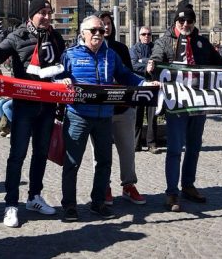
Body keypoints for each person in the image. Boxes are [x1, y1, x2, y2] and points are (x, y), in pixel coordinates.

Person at [0, 0, 65, 228]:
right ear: (32, 15)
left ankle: (34, 197)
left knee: (41, 153)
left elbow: (63, 63)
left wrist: (67, 80)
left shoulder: (56, 37)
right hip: (24, 106)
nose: (47, 17)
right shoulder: (17, 36)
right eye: (42, 13)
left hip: (48, 105)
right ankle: (11, 204)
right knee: (17, 156)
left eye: (49, 13)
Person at [57, 15, 157, 221]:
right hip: (78, 116)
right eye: (93, 30)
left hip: (104, 116)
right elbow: (57, 76)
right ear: (83, 33)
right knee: (72, 162)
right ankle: (69, 206)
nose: (98, 34)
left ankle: (98, 202)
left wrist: (143, 84)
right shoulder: (70, 54)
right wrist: (61, 79)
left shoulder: (110, 55)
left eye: (101, 31)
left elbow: (125, 75)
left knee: (104, 162)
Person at [147, 1, 222, 212]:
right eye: (182, 20)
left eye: (189, 20)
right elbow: (156, 61)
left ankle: (188, 185)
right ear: (176, 21)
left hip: (198, 104)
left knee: (194, 147)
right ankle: (171, 192)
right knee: (174, 148)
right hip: (177, 105)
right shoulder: (164, 41)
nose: (185, 24)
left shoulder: (201, 42)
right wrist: (152, 68)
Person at [96, 11, 146, 206]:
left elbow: (129, 74)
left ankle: (128, 185)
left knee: (127, 151)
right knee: (100, 153)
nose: (105, 27)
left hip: (123, 108)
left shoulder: (120, 48)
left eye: (108, 24)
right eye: (102, 24)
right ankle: (104, 185)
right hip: (100, 110)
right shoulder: (90, 49)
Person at [131, 26, 158, 154]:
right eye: (144, 34)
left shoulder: (156, 47)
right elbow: (133, 64)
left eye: (149, 34)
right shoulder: (134, 49)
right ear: (139, 35)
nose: (146, 36)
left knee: (152, 117)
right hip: (139, 84)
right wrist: (147, 65)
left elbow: (158, 62)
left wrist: (143, 61)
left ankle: (151, 144)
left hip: (152, 84)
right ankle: (136, 144)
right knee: (137, 116)